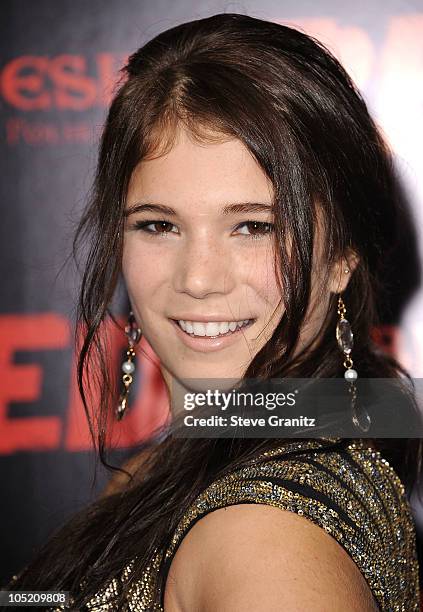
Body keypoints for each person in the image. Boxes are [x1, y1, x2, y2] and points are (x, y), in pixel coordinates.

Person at [5, 12, 422, 611]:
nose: (197, 279)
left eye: (254, 227)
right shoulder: (170, 467)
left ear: (343, 257)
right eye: (158, 225)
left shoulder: (261, 539)